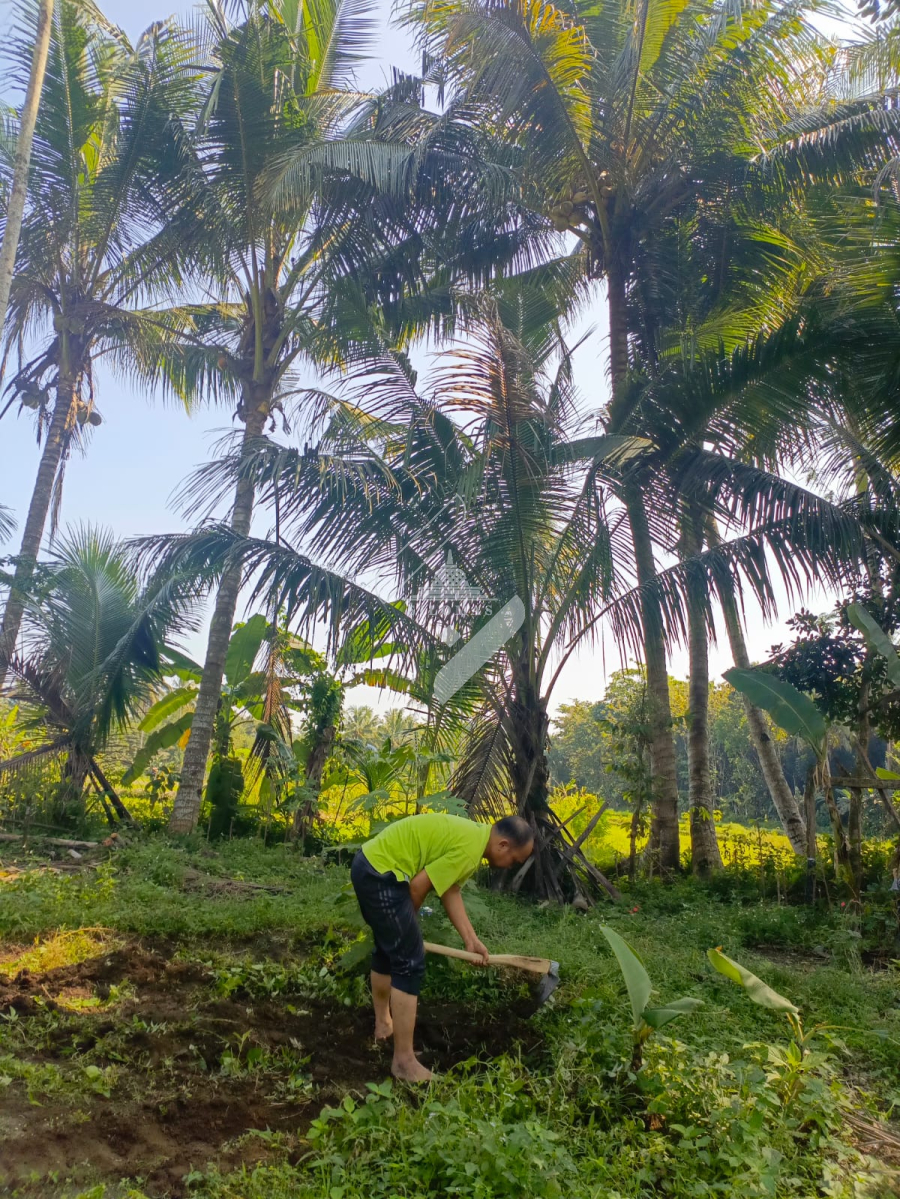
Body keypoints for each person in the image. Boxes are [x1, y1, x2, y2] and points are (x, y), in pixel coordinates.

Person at [350, 811, 534, 1082]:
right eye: (514, 860)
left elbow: (449, 889)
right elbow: (417, 887)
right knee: (409, 962)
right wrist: (409, 934)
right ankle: (404, 1062)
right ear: (503, 845)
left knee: (388, 951)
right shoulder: (470, 849)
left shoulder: (474, 839)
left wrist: (470, 940)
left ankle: (384, 1026)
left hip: (369, 866)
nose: (509, 867)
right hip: (381, 874)